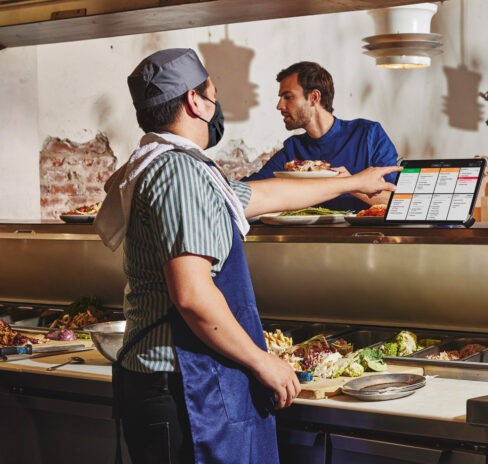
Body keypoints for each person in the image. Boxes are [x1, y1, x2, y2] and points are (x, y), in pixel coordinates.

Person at [94, 48, 400, 464]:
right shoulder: (179, 172)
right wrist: (263, 362)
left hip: (179, 378)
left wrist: (353, 181)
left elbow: (265, 194)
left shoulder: (177, 166)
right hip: (180, 385)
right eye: (214, 95)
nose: (216, 105)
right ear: (195, 101)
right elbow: (193, 296)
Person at [243, 61, 399, 211]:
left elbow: (397, 201)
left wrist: (350, 184)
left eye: (288, 97)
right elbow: (247, 192)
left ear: (314, 97)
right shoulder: (293, 149)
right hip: (303, 231)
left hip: (364, 230)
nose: (279, 106)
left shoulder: (368, 134)